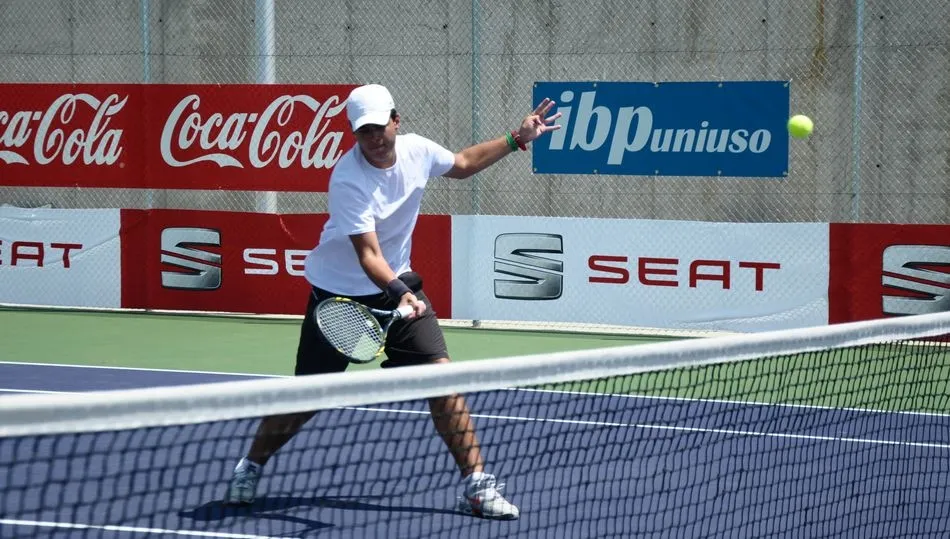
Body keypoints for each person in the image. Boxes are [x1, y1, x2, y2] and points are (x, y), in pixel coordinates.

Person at [224, 83, 561, 520]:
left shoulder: (417, 150)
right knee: (306, 397)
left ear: (396, 122)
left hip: (397, 285)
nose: (375, 139)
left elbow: (460, 164)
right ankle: (251, 464)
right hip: (339, 295)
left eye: (380, 128)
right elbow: (368, 254)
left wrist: (516, 139)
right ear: (354, 133)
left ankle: (476, 486)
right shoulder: (348, 179)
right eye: (364, 132)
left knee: (442, 379)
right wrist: (401, 293)